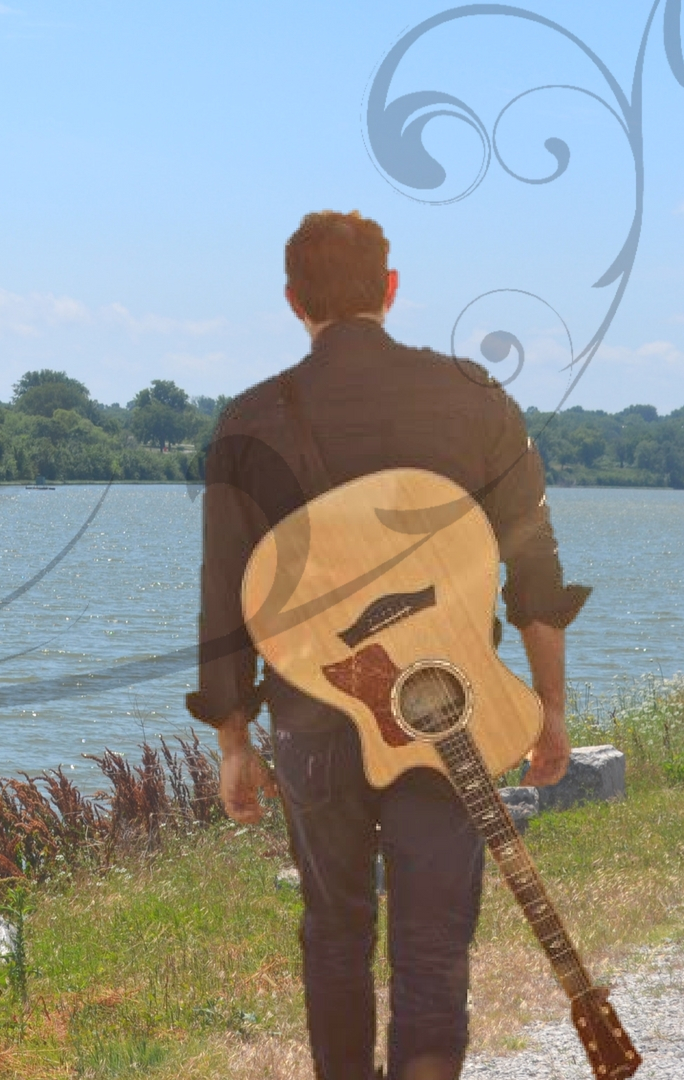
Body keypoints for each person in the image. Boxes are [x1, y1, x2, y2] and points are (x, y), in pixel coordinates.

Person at [187, 210, 590, 1080]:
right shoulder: (476, 400)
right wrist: (550, 710)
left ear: (294, 302)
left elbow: (225, 604)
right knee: (434, 945)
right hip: (453, 717)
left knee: (334, 938)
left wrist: (231, 745)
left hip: (312, 719)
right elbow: (536, 574)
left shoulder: (249, 419)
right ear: (391, 290)